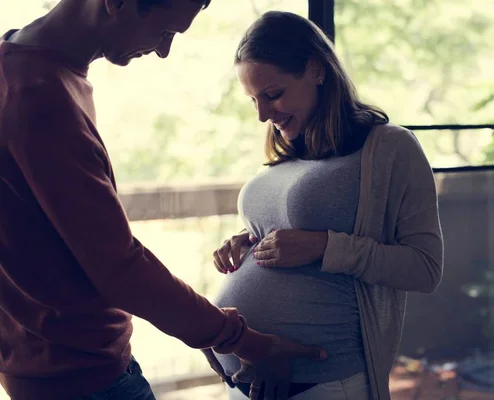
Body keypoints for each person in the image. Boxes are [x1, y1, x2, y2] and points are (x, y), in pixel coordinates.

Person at [0, 2, 327, 400]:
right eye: (164, 32)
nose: (163, 50)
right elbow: (118, 267)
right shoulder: (39, 97)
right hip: (81, 377)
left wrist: (203, 325)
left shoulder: (24, 66)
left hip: (54, 366)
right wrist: (240, 339)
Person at [209, 11, 444, 400]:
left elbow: (425, 268)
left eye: (273, 94)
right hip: (250, 378)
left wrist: (324, 246)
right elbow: (285, 238)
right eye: (253, 100)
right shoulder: (287, 150)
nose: (263, 115)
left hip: (324, 383)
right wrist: (246, 244)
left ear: (316, 70)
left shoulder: (389, 148)